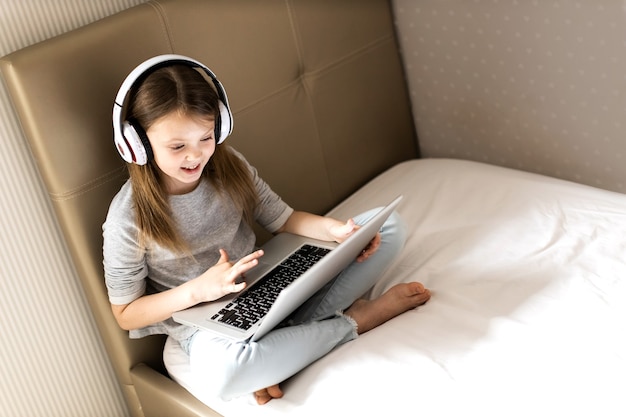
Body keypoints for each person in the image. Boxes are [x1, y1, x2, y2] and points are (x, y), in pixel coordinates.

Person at [103, 56, 431, 405]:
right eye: (177, 146)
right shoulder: (127, 219)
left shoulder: (229, 167)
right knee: (226, 376)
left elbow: (286, 220)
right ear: (136, 143)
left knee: (387, 224)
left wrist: (337, 232)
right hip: (206, 327)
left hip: (272, 287)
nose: (196, 156)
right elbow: (126, 313)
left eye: (205, 137)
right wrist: (197, 291)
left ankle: (282, 345)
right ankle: (352, 322)